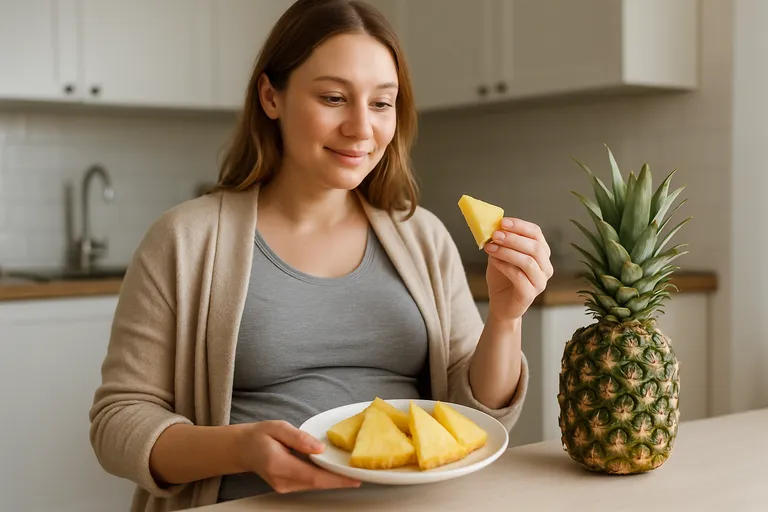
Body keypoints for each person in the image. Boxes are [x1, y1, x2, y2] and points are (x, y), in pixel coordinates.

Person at [88, 0, 554, 511]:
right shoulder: (184, 240)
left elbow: (474, 415)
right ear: (271, 96)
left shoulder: (423, 236)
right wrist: (239, 448)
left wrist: (506, 319)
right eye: (334, 97)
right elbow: (118, 422)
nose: (361, 128)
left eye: (381, 103)